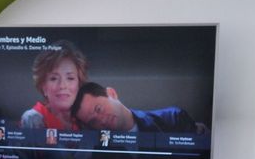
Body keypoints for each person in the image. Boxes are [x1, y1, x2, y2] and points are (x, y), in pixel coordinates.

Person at [70, 82, 201, 133]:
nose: (102, 120)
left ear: (111, 93)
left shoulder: (174, 118)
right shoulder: (100, 155)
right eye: (93, 121)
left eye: (99, 109)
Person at [20, 40, 89, 130]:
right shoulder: (32, 119)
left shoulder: (86, 119)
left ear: (79, 84)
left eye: (70, 78)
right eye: (54, 78)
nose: (62, 86)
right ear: (43, 86)